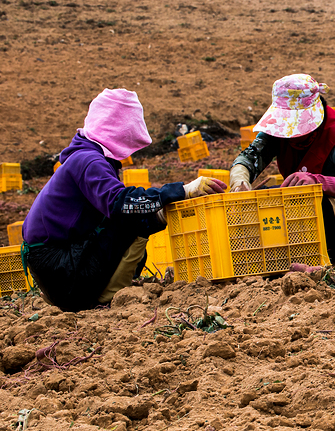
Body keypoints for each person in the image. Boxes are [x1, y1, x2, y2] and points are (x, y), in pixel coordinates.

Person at [21, 89, 226, 312]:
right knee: (133, 219)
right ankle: (106, 296)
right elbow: (120, 204)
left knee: (137, 215)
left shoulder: (84, 157)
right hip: (62, 272)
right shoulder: (88, 161)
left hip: (56, 268)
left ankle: (101, 291)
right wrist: (179, 192)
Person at [229, 74, 335, 261]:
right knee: (264, 200)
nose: (292, 132)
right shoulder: (279, 131)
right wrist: (240, 183)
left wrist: (317, 182)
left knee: (311, 205)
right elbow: (249, 157)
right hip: (303, 204)